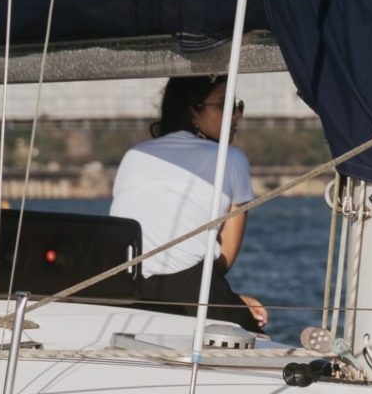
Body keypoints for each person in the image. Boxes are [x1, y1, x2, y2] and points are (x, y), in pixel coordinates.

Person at [111, 77, 268, 332]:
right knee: (260, 345)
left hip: (125, 288)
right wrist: (227, 300)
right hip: (193, 289)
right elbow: (225, 257)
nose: (237, 115)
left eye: (238, 105)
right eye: (225, 105)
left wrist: (232, 300)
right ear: (193, 110)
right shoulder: (231, 159)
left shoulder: (134, 154)